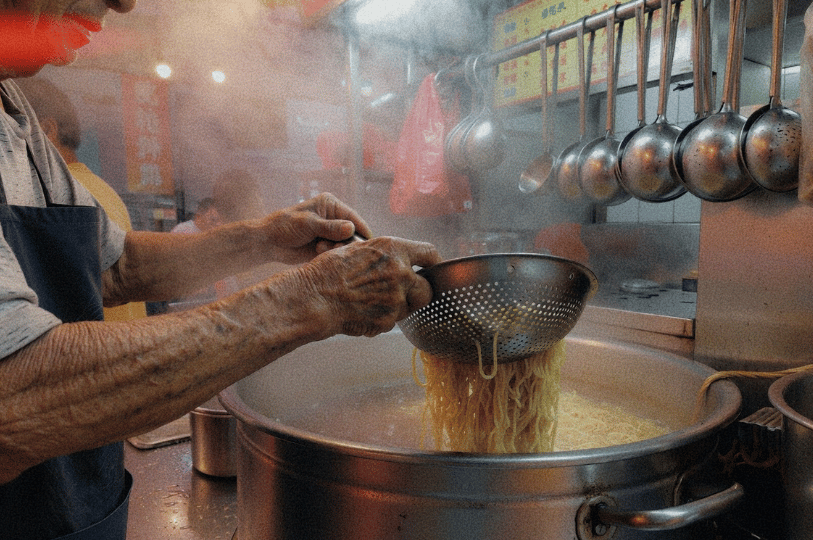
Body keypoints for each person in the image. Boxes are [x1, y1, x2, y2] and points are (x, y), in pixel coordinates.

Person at [0, 2, 441, 539]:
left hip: (72, 510)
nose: (125, 4)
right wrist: (316, 298)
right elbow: (13, 391)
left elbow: (112, 266)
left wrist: (264, 237)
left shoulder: (13, 110)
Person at [13, 75, 148, 323]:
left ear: (46, 130)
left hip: (94, 354)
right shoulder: (99, 188)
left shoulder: (50, 198)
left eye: (9, 132)